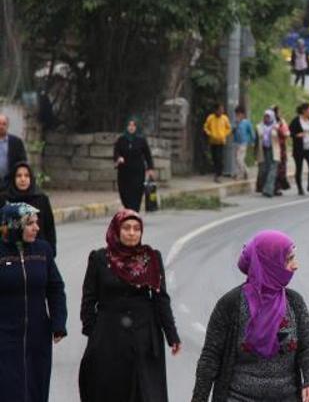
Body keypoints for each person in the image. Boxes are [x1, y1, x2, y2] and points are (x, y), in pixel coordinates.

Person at [191, 230, 309, 402]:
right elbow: (210, 357)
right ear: (270, 263)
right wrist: (198, 398)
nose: (295, 265)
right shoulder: (231, 304)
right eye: (289, 259)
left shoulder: (295, 303)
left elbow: (308, 348)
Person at [79, 209, 181, 402]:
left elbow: (161, 298)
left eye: (136, 228)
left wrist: (171, 334)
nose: (132, 233)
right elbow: (88, 299)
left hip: (144, 335)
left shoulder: (151, 258)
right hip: (109, 337)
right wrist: (93, 332)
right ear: (117, 231)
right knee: (111, 389)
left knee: (145, 390)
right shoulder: (100, 259)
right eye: (126, 228)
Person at [0, 202, 67, 402]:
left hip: (38, 335)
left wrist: (58, 323)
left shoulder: (43, 250)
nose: (36, 228)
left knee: (36, 387)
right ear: (13, 225)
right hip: (5, 335)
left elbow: (55, 288)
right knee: (9, 389)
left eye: (36, 223)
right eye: (29, 223)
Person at [3, 162, 57, 254]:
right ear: (13, 178)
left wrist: (51, 252)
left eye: (26, 176)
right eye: (19, 176)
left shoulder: (41, 199)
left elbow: (49, 227)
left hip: (38, 252)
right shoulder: (4, 199)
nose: (23, 179)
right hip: (10, 252)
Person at [114, 116, 155, 212]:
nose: (131, 127)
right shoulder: (121, 139)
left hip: (138, 171)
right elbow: (116, 152)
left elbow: (147, 155)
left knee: (136, 192)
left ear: (136, 127)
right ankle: (128, 208)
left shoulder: (141, 140)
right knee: (124, 192)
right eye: (129, 125)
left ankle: (134, 211)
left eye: (133, 125)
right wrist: (118, 158)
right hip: (124, 171)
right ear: (126, 127)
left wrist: (150, 168)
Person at [289, 103, 309, 196]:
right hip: (299, 149)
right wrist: (297, 135)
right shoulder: (296, 121)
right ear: (304, 111)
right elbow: (289, 131)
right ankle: (300, 188)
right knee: (299, 169)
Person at [204, 103, 232, 183]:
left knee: (219, 157)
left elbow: (228, 128)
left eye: (222, 110)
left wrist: (224, 134)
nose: (221, 111)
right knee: (214, 158)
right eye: (220, 110)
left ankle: (218, 174)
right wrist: (209, 133)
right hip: (213, 141)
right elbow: (206, 127)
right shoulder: (210, 118)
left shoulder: (224, 118)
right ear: (216, 110)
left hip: (221, 141)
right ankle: (216, 173)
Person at [255, 110, 281, 198]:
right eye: (265, 116)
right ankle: (263, 188)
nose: (266, 118)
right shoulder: (259, 126)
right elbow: (256, 140)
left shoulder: (277, 126)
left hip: (273, 150)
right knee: (264, 170)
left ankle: (269, 190)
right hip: (263, 150)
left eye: (268, 116)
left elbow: (284, 135)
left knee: (272, 170)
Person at [0, 113, 28, 188]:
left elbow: (23, 161)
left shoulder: (16, 142)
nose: (1, 126)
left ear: (8, 126)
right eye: (0, 124)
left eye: (4, 124)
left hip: (10, 182)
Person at [233, 106, 255, 180]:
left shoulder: (246, 122)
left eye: (238, 114)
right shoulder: (236, 122)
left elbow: (252, 132)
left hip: (243, 143)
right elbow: (233, 131)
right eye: (236, 114)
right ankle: (245, 171)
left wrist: (253, 141)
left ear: (243, 114)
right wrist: (235, 125)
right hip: (236, 142)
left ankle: (241, 174)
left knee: (240, 159)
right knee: (237, 159)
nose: (237, 116)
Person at [274, 106, 292, 195]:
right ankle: (276, 187)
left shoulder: (282, 122)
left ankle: (279, 187)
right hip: (275, 147)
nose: (279, 114)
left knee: (281, 167)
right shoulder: (272, 123)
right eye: (278, 112)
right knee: (276, 167)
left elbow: (287, 133)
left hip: (281, 147)